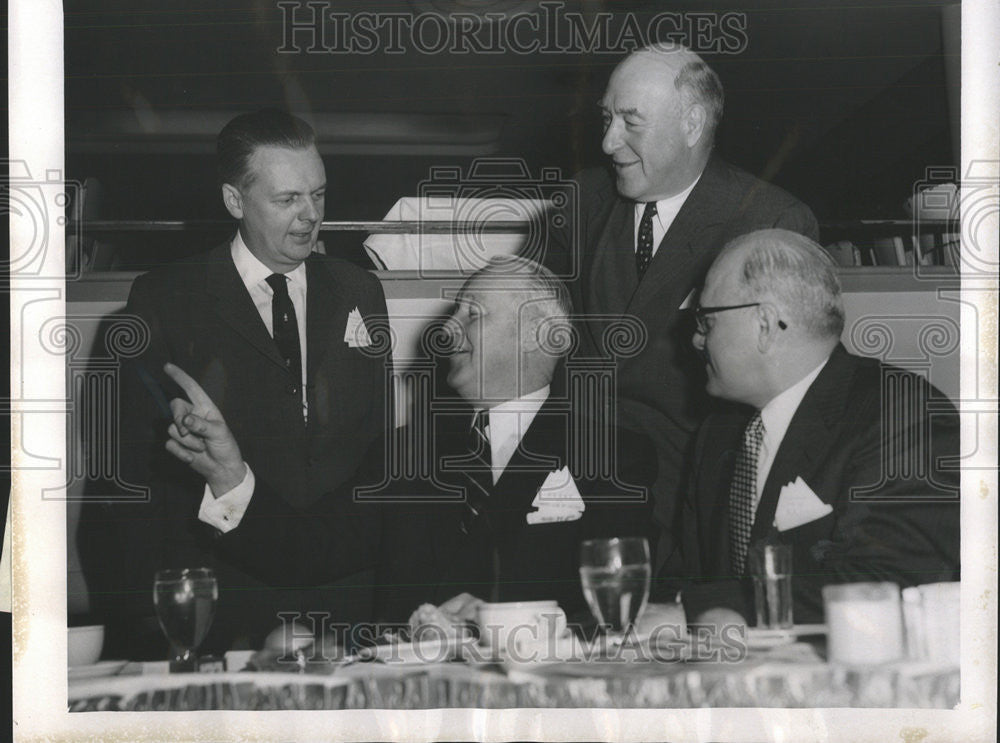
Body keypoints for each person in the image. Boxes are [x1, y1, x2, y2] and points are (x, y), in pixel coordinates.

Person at [162, 257, 658, 626]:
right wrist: (226, 472)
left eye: (472, 314)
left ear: (544, 336)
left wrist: (505, 629)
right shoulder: (404, 455)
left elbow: (623, 616)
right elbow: (304, 552)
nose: (446, 329)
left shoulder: (615, 458)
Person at [80, 110, 393, 655]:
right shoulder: (165, 298)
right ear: (234, 201)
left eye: (318, 194)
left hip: (344, 605)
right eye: (287, 199)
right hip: (226, 608)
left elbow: (376, 450)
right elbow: (130, 485)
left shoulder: (358, 291)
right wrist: (156, 628)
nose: (310, 216)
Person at [544, 44, 818, 555]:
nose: (607, 142)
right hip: (569, 482)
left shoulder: (771, 222)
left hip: (696, 496)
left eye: (631, 122)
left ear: (692, 124)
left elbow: (780, 404)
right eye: (606, 118)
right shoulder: (579, 202)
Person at [657, 229, 960, 624]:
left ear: (764, 324)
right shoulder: (718, 434)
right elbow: (685, 578)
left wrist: (693, 613)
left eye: (706, 321)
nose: (697, 340)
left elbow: (889, 585)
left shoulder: (903, 414)